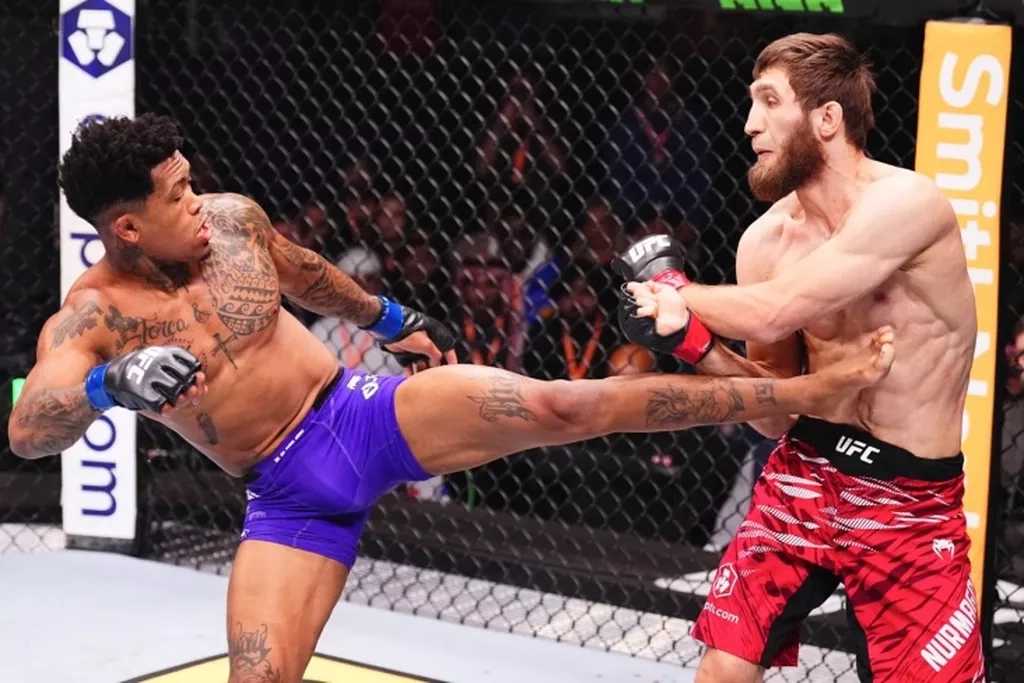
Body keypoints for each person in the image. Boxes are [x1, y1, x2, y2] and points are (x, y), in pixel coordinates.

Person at [7, 114, 893, 683]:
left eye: (192, 180)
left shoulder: (231, 221)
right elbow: (27, 430)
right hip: (287, 495)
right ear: (126, 226)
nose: (198, 202)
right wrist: (109, 383)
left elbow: (303, 272)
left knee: (563, 406)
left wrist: (391, 317)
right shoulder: (95, 315)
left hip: (361, 411)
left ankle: (801, 390)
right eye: (177, 196)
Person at [615, 33, 982, 683]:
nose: (749, 124)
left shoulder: (908, 204)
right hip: (805, 472)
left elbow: (777, 310)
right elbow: (772, 413)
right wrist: (693, 342)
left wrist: (672, 291)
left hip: (907, 500)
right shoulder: (765, 242)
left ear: (827, 118)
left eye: (768, 101)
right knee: (723, 665)